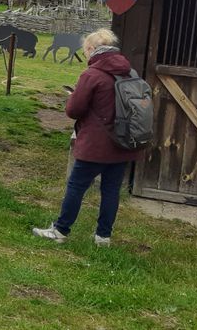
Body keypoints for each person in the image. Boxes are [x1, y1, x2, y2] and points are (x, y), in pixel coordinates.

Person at [32, 29, 143, 247]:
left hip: (96, 143)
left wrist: (73, 96)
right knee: (111, 190)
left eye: (86, 51)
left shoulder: (91, 75)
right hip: (122, 142)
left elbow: (74, 110)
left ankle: (61, 230)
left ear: (92, 49)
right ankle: (103, 236)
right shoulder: (130, 72)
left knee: (76, 186)